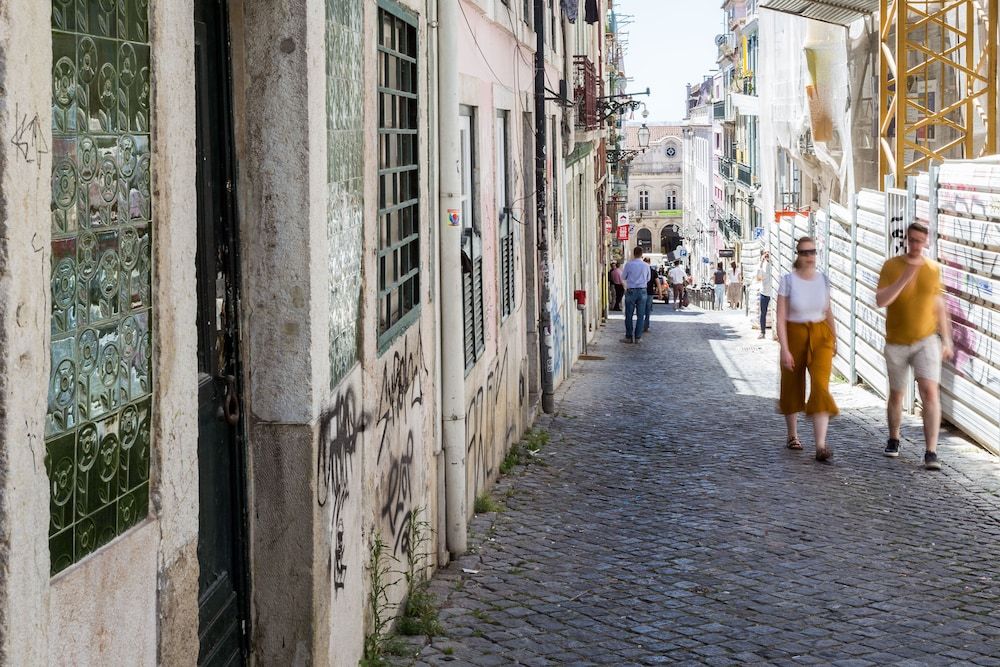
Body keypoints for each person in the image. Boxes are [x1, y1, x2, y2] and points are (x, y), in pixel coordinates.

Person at [876, 222, 954, 470]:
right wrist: (904, 278)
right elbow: (881, 300)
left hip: (926, 340)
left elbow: (939, 305)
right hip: (897, 341)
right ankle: (894, 437)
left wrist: (947, 339)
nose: (916, 245)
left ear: (926, 242)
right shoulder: (891, 266)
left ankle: (931, 452)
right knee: (897, 393)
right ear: (906, 240)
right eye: (912, 240)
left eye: (921, 240)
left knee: (930, 392)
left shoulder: (933, 269)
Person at [777, 236, 838, 462]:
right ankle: (792, 435)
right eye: (804, 252)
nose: (809, 256)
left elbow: (828, 309)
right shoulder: (788, 281)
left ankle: (821, 446)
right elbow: (780, 317)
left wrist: (835, 336)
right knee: (792, 384)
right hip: (795, 333)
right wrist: (785, 348)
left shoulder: (823, 279)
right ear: (798, 255)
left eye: (812, 252)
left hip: (821, 334)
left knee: (821, 386)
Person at [621, 246, 651, 343]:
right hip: (642, 291)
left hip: (631, 290)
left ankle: (629, 337)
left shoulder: (629, 265)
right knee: (641, 315)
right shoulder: (646, 266)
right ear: (642, 254)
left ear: (634, 253)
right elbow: (648, 278)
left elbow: (623, 277)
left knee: (629, 315)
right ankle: (638, 337)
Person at [756, 251, 773, 338]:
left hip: (773, 293)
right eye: (766, 255)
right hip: (765, 293)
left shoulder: (774, 265)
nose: (767, 256)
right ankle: (762, 332)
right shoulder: (762, 266)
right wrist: (761, 263)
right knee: (763, 313)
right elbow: (758, 277)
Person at [642, 258, 661, 332]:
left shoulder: (641, 271)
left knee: (641, 310)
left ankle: (640, 325)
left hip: (642, 291)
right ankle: (646, 326)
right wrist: (660, 293)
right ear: (649, 262)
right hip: (649, 293)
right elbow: (658, 283)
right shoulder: (653, 271)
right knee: (647, 311)